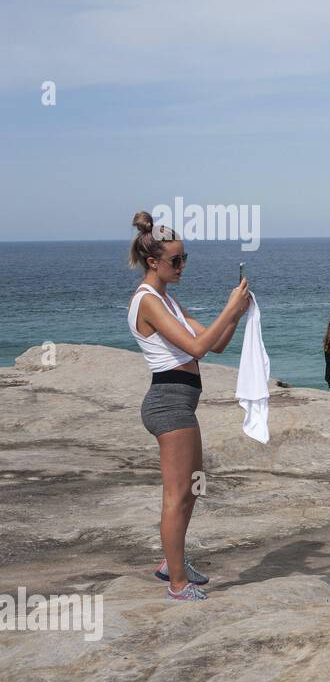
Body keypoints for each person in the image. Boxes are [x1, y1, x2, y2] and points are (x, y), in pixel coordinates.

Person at [126, 211, 250, 600]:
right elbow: (194, 347)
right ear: (153, 263)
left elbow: (214, 344)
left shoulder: (166, 300)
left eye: (184, 259)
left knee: (192, 489)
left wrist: (236, 316)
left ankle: (172, 562)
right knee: (177, 495)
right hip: (169, 405)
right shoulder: (148, 302)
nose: (182, 267)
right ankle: (177, 584)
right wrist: (229, 308)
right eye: (175, 261)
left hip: (182, 405)